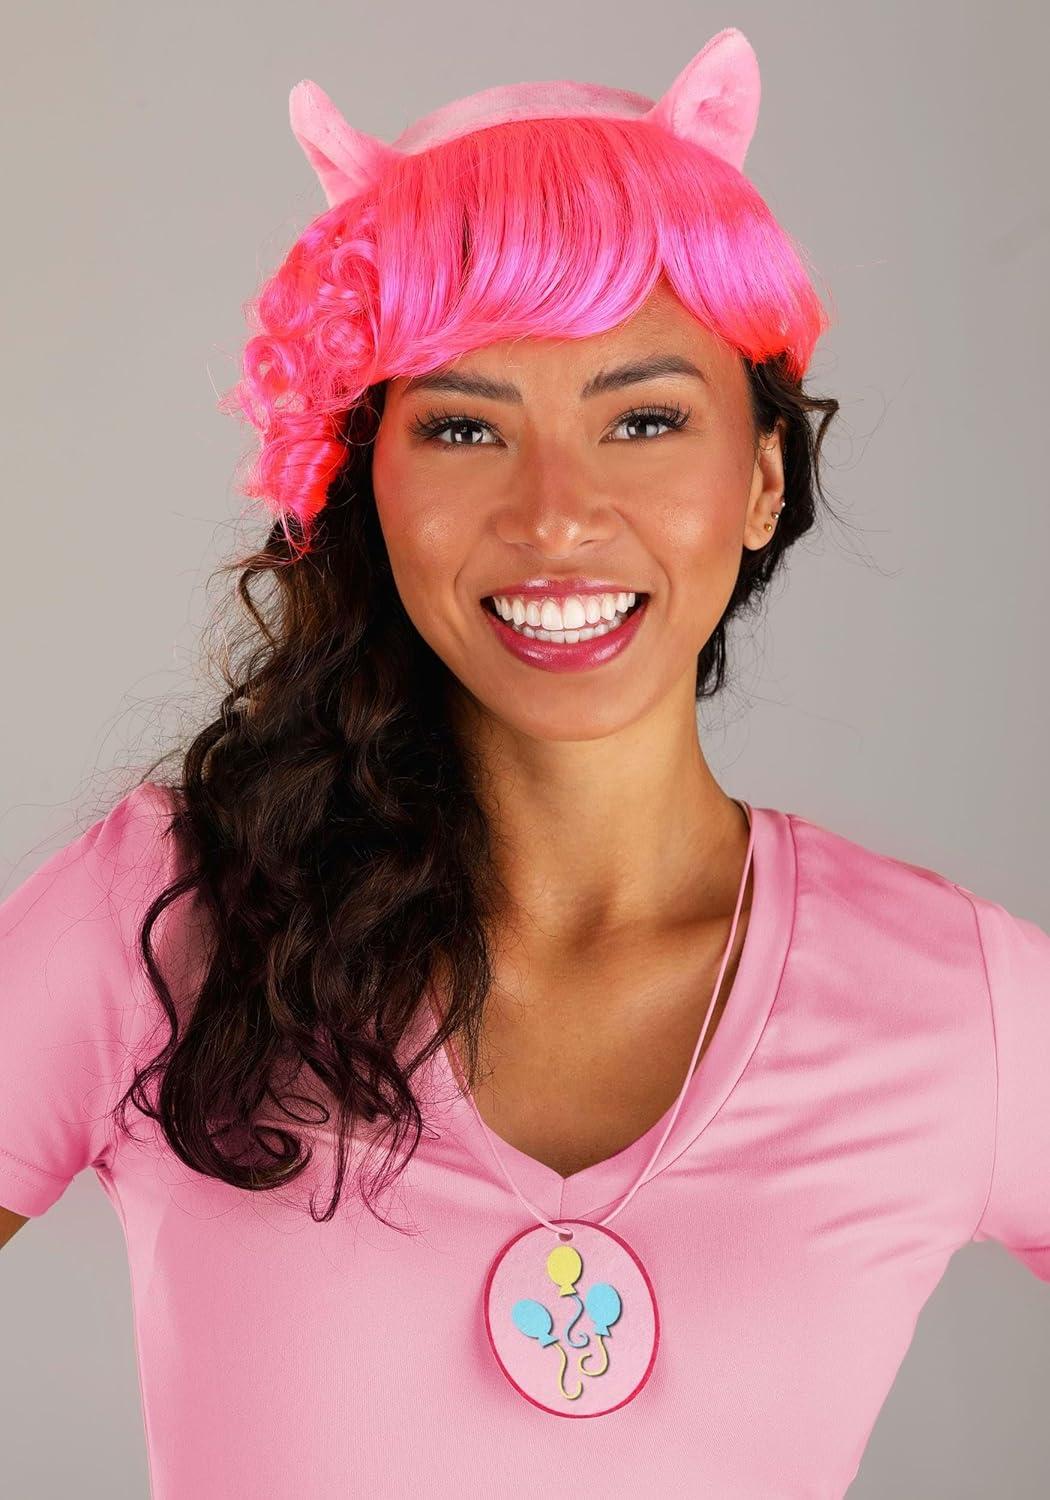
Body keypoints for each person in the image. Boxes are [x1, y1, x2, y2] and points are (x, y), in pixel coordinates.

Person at [1, 26, 1047, 1499]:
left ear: (760, 479)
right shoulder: (163, 916)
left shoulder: (954, 998)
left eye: (644, 419)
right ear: (364, 482)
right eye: (461, 428)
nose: (555, 516)